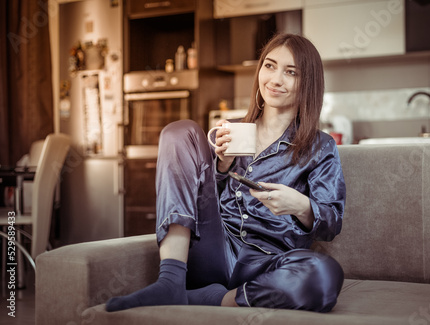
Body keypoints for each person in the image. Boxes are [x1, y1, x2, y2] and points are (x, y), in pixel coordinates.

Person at [106, 33, 346, 313]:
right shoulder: (231, 130)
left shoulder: (321, 147)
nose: (275, 79)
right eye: (269, 66)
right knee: (180, 130)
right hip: (213, 250)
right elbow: (198, 199)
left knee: (324, 272)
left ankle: (206, 299)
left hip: (267, 265)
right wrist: (222, 167)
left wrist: (301, 205)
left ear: (308, 83)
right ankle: (170, 279)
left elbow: (332, 224)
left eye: (290, 72)